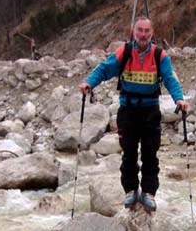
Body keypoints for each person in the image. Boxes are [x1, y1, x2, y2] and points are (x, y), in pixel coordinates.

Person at [79, 18, 187, 212]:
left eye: (146, 31)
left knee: (150, 154)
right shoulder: (125, 52)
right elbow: (104, 69)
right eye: (140, 30)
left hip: (150, 111)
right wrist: (89, 82)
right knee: (128, 154)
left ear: (152, 33)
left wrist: (179, 99)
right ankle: (130, 191)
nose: (143, 34)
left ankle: (149, 193)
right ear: (134, 32)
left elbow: (170, 78)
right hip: (128, 111)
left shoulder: (159, 55)